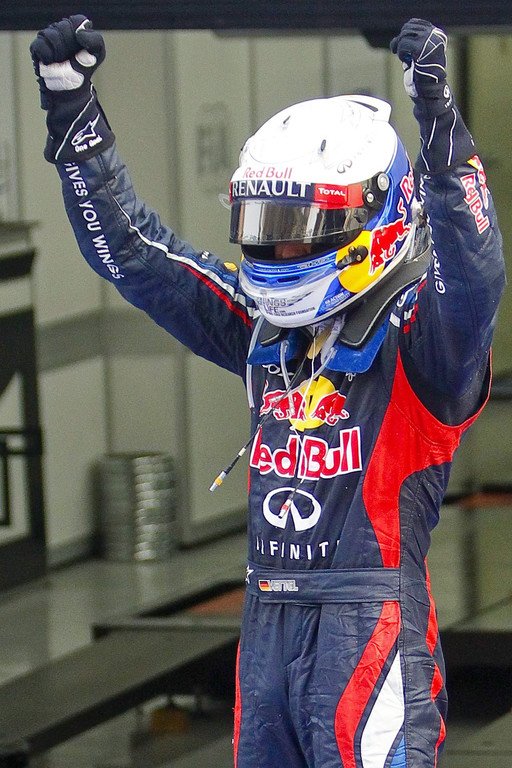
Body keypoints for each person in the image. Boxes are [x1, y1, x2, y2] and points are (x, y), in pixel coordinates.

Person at [30, 15, 505, 768]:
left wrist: (443, 132)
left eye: (300, 226)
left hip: (368, 633)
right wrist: (73, 114)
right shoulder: (264, 332)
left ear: (373, 215)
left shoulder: (424, 345)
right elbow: (138, 257)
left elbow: (474, 277)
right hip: (265, 628)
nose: (280, 247)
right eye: (265, 223)